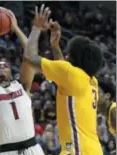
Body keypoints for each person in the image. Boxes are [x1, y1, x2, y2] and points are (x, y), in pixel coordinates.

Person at [24, 4, 104, 155]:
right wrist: (55, 45)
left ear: (73, 59)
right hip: (94, 149)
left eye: (69, 54)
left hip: (76, 150)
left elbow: (29, 57)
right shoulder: (91, 81)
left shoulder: (71, 75)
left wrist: (36, 28)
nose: (66, 56)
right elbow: (63, 72)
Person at [0, 7, 48, 155]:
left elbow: (30, 54)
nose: (1, 66)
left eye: (5, 66)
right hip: (8, 151)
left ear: (12, 73)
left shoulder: (22, 85)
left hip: (33, 148)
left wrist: (16, 28)